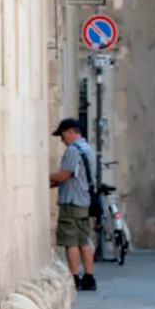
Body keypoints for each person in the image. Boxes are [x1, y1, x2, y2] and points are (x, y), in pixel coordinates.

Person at [49, 118, 97, 291]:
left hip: (71, 201)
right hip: (84, 200)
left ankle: (75, 277)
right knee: (84, 239)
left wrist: (44, 177)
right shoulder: (88, 149)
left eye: (62, 136)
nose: (62, 141)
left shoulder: (73, 150)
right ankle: (89, 277)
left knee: (71, 241)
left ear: (70, 132)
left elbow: (65, 175)